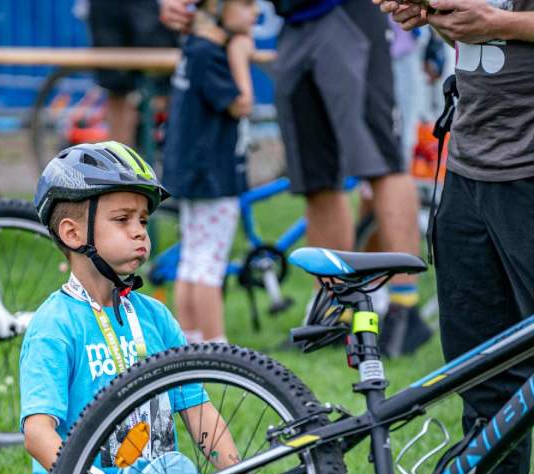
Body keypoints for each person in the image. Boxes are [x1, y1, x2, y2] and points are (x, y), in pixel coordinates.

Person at [13, 140, 255, 474]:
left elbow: (198, 410)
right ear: (71, 232)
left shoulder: (157, 318)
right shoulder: (54, 326)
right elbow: (38, 433)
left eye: (143, 220)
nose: (140, 233)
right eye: (122, 220)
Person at [160, 0, 432, 357]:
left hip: (346, 14)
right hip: (294, 21)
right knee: (315, 178)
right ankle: (334, 312)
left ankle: (403, 308)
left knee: (381, 161)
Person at [375, 0, 534, 474]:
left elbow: (498, 28)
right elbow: (478, 46)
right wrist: (429, 12)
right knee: (483, 357)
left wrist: (498, 23)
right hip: (467, 166)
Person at [161, 0, 260, 344]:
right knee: (209, 263)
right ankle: (216, 346)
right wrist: (240, 55)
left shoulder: (193, 47)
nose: (256, 12)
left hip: (192, 172)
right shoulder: (213, 54)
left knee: (192, 259)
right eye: (246, 3)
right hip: (212, 176)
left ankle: (188, 340)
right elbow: (241, 103)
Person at [87, 0, 178, 146]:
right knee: (116, 89)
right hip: (107, 9)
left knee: (165, 81)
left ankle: (163, 149)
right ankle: (120, 161)